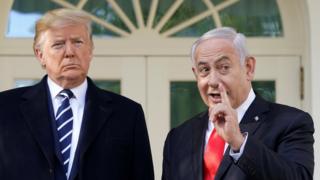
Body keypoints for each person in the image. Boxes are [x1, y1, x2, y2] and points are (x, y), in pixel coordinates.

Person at [0, 8, 154, 180]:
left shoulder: (128, 114)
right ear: (40, 54)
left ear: (90, 50)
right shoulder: (5, 109)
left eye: (78, 42)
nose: (70, 52)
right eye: (58, 44)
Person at [162, 27, 314, 180]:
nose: (213, 81)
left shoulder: (290, 123)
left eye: (224, 68)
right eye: (204, 70)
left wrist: (239, 142)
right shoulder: (178, 138)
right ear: (196, 74)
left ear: (248, 68)